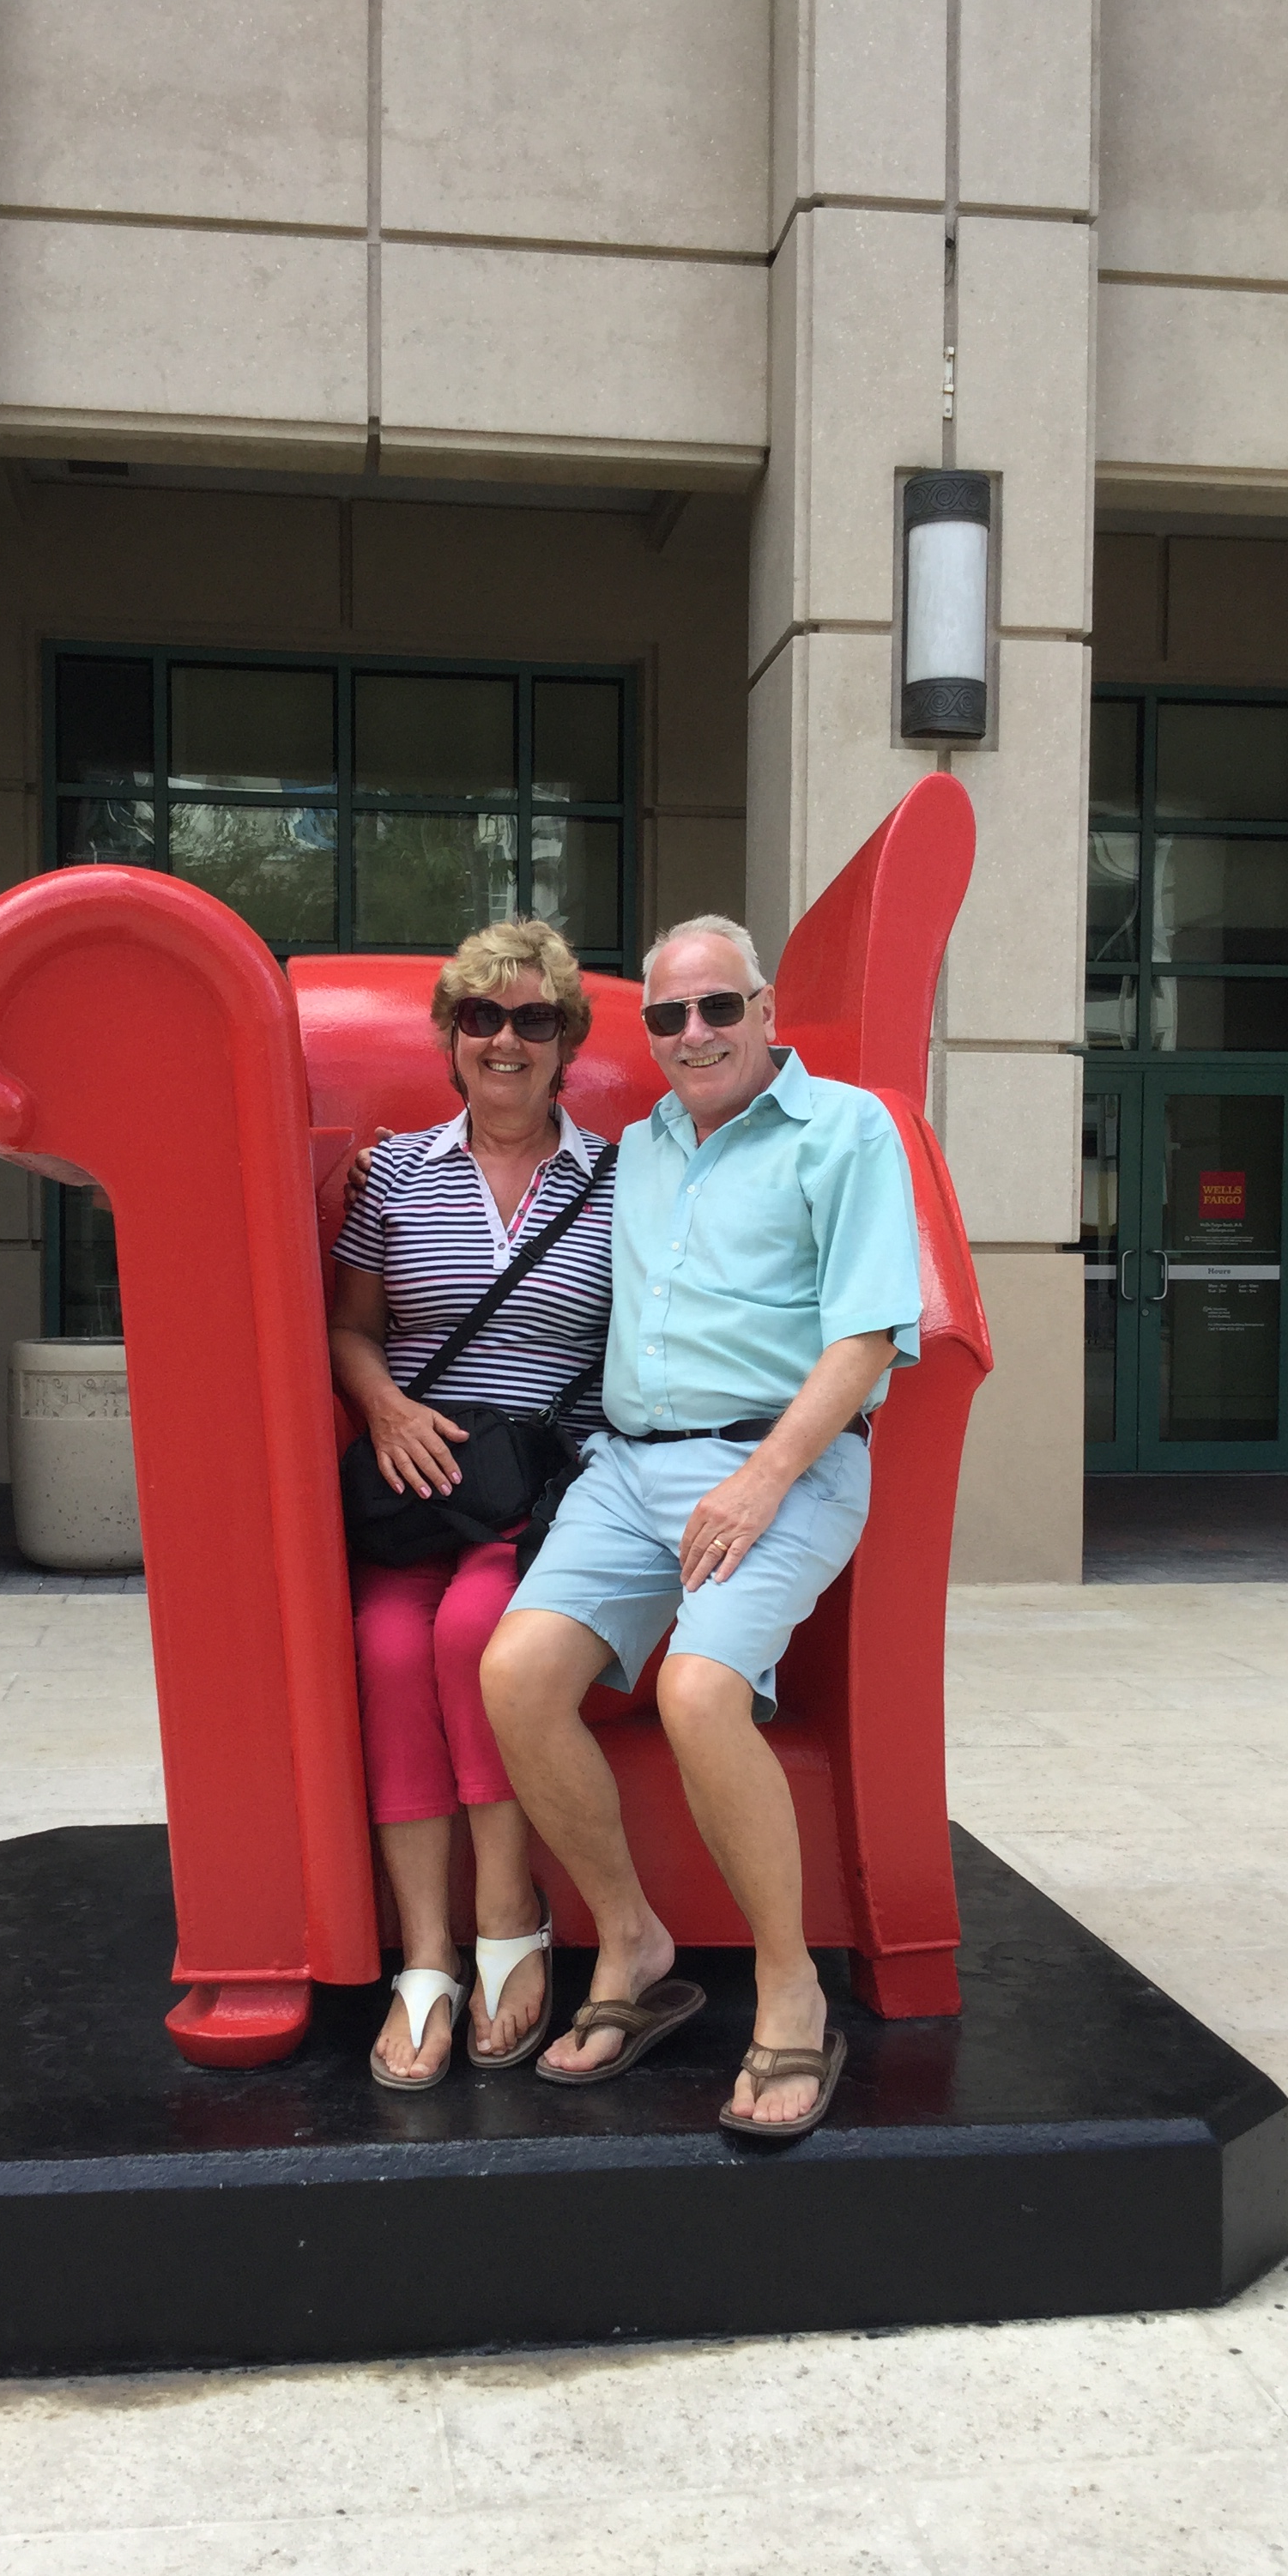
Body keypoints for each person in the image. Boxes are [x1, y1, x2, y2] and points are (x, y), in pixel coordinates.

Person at [481, 912, 923, 2140]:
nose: (694, 1033)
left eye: (719, 1007)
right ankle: (632, 1938)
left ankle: (791, 1989)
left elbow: (870, 1336)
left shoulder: (848, 1130)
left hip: (787, 1463)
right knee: (516, 1675)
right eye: (668, 1015)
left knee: (698, 1691)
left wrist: (763, 1478)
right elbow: (507, 1158)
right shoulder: (639, 1147)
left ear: (765, 1010)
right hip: (628, 1472)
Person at [329, 918, 614, 2090]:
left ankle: (507, 1918)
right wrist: (386, 1408)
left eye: (532, 1019)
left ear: (566, 1042)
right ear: (452, 1037)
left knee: (470, 1635)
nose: (506, 1040)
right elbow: (350, 1327)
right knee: (388, 1645)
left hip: (537, 1492)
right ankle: (426, 1955)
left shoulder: (620, 1180)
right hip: (415, 1480)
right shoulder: (395, 1174)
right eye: (482, 1017)